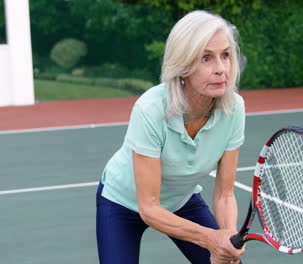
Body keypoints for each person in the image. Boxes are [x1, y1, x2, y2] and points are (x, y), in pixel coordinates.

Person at [96, 10, 246, 264]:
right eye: (206, 58)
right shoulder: (150, 109)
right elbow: (150, 208)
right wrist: (211, 239)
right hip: (123, 203)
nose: (222, 69)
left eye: (226, 56)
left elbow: (225, 194)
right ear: (183, 64)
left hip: (182, 200)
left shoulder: (234, 108)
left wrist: (226, 237)